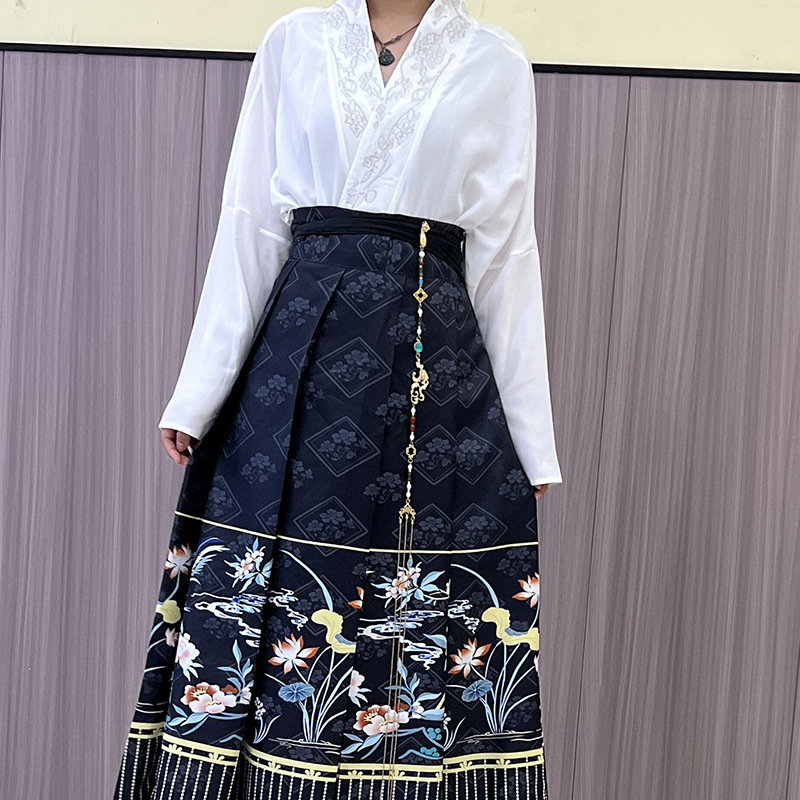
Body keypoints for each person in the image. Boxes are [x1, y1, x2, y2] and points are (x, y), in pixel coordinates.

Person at [115, 0, 563, 798]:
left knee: (414, 612)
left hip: (434, 371)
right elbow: (251, 223)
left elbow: (505, 252)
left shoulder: (497, 60)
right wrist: (198, 391)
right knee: (277, 597)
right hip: (298, 359)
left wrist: (530, 439)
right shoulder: (294, 41)